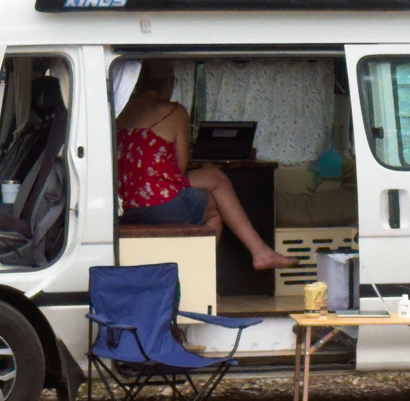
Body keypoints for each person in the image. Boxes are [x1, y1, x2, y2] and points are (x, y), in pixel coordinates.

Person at [116, 60, 296, 271]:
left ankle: (261, 252)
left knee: (215, 177)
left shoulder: (119, 108)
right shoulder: (174, 111)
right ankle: (205, 281)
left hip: (124, 203)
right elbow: (180, 167)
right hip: (158, 203)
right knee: (213, 213)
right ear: (167, 83)